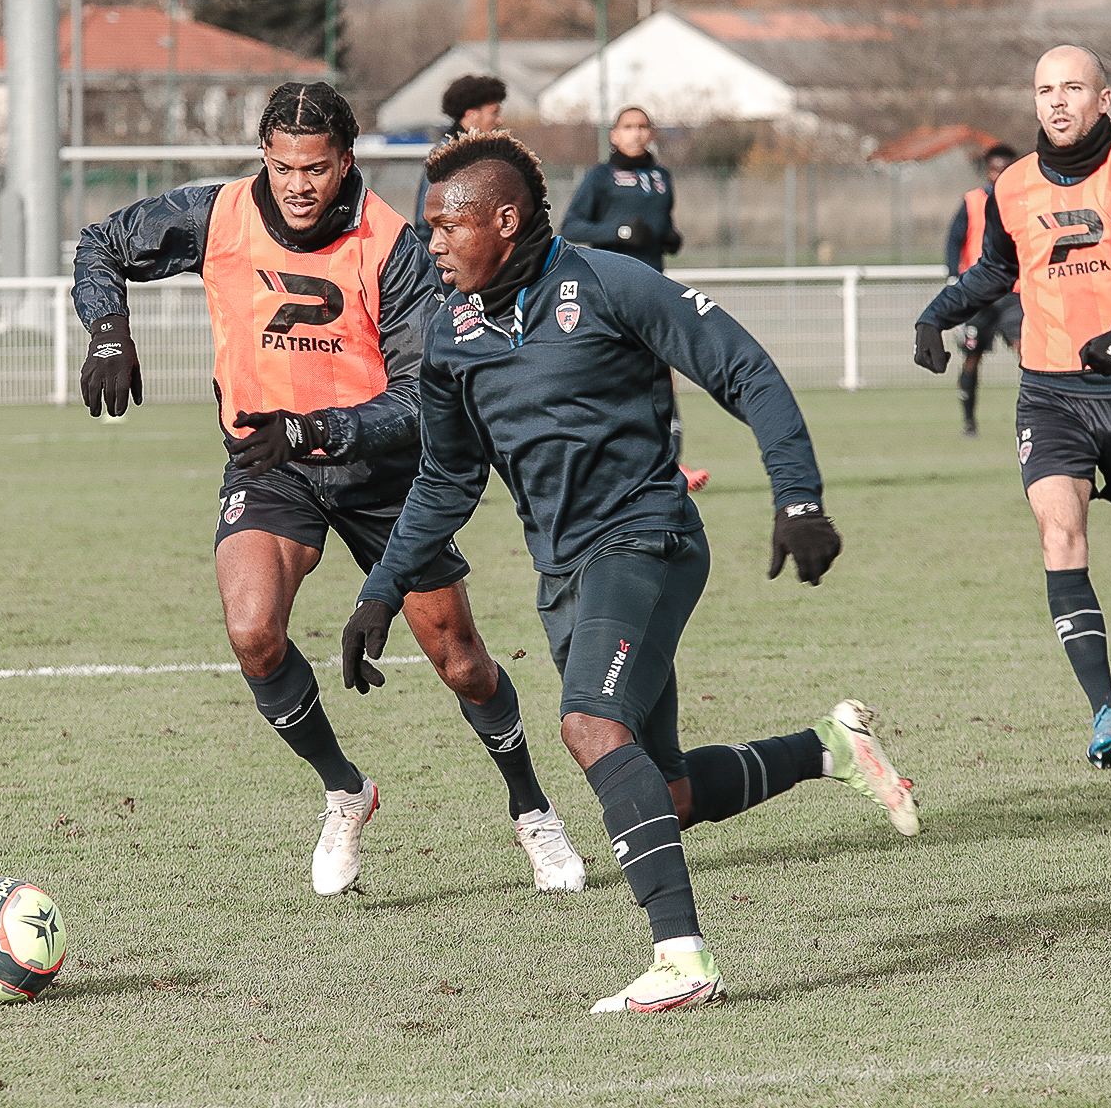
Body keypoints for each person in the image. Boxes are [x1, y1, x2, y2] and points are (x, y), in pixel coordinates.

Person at [343, 131, 920, 1014]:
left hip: (646, 541)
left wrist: (798, 499)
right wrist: (382, 589)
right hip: (563, 573)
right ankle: (831, 748)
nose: (432, 245)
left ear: (504, 220)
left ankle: (682, 961)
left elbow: (747, 371)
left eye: (445, 227)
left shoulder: (610, 283)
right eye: (427, 230)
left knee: (587, 725)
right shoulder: (450, 338)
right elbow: (447, 477)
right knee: (667, 791)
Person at [73, 82, 584, 898]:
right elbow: (99, 243)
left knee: (459, 662)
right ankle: (345, 791)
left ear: (345, 162)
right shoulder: (220, 215)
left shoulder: (392, 244)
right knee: (253, 633)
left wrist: (321, 428)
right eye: (281, 167)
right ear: (264, 161)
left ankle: (531, 806)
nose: (298, 185)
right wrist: (107, 330)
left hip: (385, 478)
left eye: (315, 168)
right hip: (270, 467)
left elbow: (423, 393)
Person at [915, 45, 1111, 767]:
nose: (1057, 101)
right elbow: (999, 268)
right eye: (1044, 90)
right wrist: (934, 314)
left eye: (1072, 88)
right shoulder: (1015, 186)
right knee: (1060, 538)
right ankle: (1105, 716)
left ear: (1104, 99)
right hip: (1051, 393)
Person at [561, 106, 706, 491]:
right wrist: (621, 232)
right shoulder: (601, 177)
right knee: (605, 376)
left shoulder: (661, 177)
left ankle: (670, 463)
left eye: (643, 127)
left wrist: (670, 236)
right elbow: (572, 226)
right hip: (607, 290)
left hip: (653, 289)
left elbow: (662, 225)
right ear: (613, 134)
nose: (636, 133)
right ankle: (593, 464)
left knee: (663, 375)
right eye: (628, 127)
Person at [944, 143, 1024, 435]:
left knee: (1026, 351)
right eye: (994, 169)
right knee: (972, 356)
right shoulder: (972, 201)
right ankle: (969, 421)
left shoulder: (1026, 201)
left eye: (1006, 169)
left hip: (1013, 291)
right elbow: (954, 240)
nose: (999, 175)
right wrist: (954, 278)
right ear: (987, 171)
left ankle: (1037, 416)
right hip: (979, 292)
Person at [414, 73, 507, 245]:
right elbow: (427, 224)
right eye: (494, 113)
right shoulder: (445, 157)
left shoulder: (487, 156)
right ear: (471, 114)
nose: (499, 120)